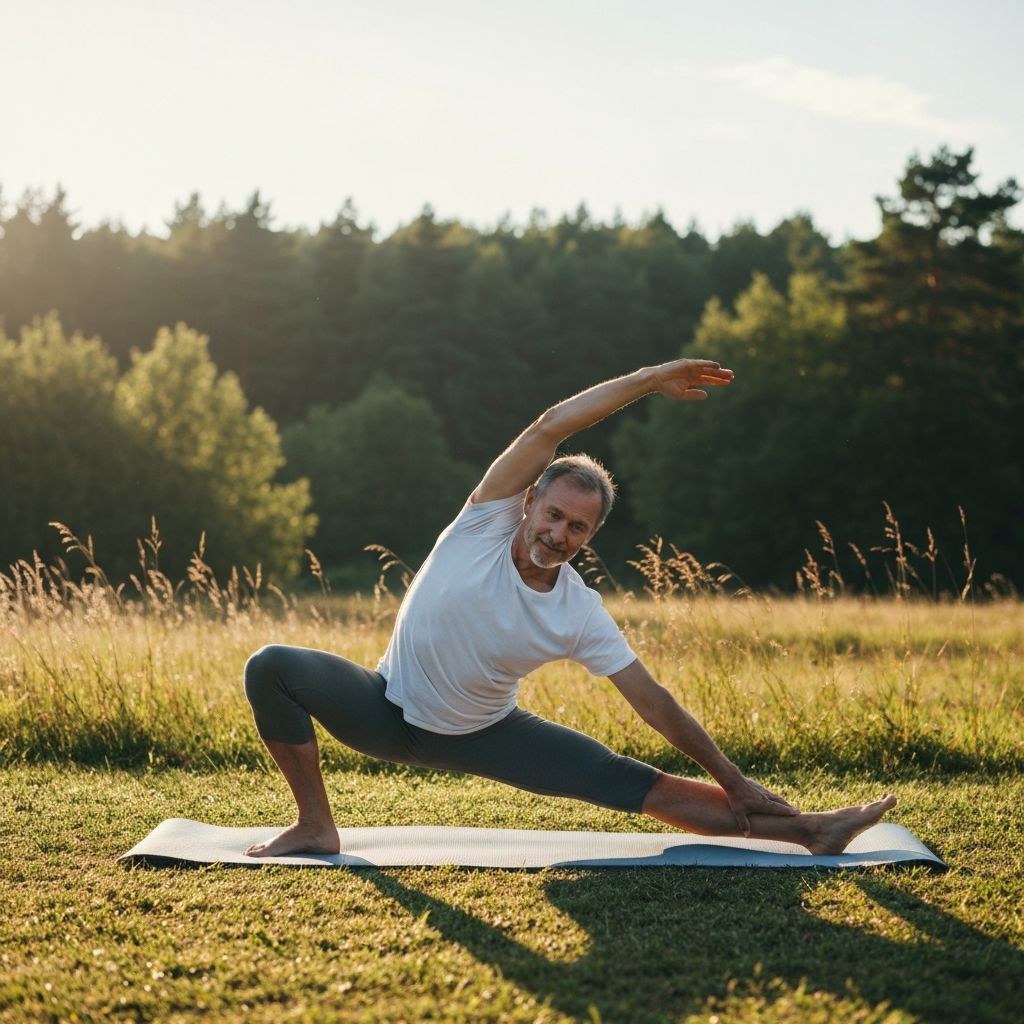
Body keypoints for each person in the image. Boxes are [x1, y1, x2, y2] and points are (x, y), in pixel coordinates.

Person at [243, 358, 895, 858]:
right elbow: (550, 426)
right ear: (528, 503)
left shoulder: (577, 612)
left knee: (637, 785)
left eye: (578, 528)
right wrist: (647, 379)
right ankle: (316, 825)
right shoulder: (483, 523)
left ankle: (813, 832)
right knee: (272, 666)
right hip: (385, 710)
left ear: (590, 538)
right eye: (553, 514)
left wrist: (733, 776)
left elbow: (653, 701)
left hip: (489, 736)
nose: (559, 533)